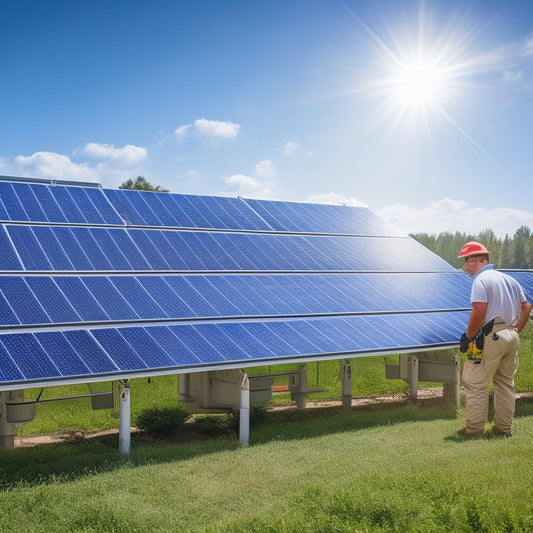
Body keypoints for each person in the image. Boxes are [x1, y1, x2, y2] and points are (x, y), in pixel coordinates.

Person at [458, 241, 532, 438]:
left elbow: (480, 310)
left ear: (477, 261)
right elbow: (526, 307)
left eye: (468, 261)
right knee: (505, 382)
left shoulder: (481, 281)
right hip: (510, 335)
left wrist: (469, 336)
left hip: (491, 335)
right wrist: (516, 330)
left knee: (475, 382)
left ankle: (473, 431)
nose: (466, 265)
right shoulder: (509, 280)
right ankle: (503, 429)